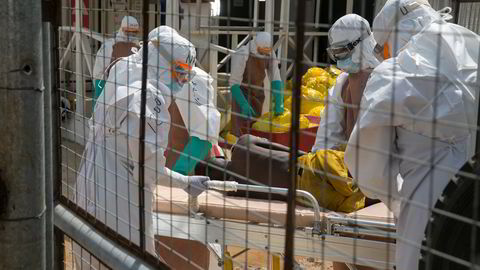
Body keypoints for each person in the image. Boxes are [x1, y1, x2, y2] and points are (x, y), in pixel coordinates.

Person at [344, 1, 480, 269]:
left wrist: (397, 196)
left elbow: (370, 169)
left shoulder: (394, 75)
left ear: (392, 35)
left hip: (426, 209)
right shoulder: (474, 47)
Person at [75, 26, 209, 261]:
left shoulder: (122, 73)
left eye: (187, 75)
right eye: (180, 72)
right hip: (119, 205)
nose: (182, 81)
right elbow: (148, 169)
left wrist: (182, 180)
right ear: (161, 61)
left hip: (92, 183)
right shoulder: (149, 98)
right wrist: (182, 180)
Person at [165, 67, 221, 176]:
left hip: (191, 172)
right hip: (169, 170)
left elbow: (206, 132)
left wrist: (181, 171)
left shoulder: (188, 80)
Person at [229, 32, 284, 137]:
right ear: (256, 46)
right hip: (241, 94)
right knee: (239, 130)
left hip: (258, 94)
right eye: (262, 51)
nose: (264, 54)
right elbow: (234, 83)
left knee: (255, 129)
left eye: (266, 51)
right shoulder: (243, 53)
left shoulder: (270, 53)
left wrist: (279, 101)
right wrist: (243, 104)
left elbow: (276, 78)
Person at [92, 16, 140, 108]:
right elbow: (99, 72)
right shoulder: (109, 46)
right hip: (107, 85)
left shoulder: (137, 46)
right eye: (128, 31)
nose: (131, 35)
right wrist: (101, 90)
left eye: (134, 32)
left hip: (129, 88)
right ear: (122, 29)